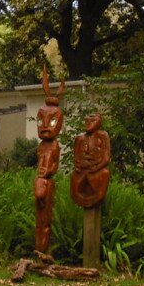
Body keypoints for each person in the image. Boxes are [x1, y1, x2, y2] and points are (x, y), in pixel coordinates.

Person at [34, 67, 65, 254]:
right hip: (40, 180)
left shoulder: (53, 145)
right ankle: (38, 249)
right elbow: (40, 160)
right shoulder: (41, 146)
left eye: (51, 122)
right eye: (40, 122)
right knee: (39, 220)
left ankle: (44, 250)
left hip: (47, 181)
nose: (45, 127)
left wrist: (48, 171)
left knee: (45, 220)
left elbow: (54, 164)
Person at [71, 113, 111, 208]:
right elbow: (76, 156)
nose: (88, 124)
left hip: (97, 168)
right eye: (86, 121)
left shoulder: (103, 135)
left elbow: (106, 157)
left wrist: (97, 167)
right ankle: (82, 199)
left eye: (92, 121)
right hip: (82, 169)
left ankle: (94, 199)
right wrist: (78, 165)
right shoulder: (80, 138)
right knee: (74, 177)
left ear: (99, 123)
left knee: (104, 173)